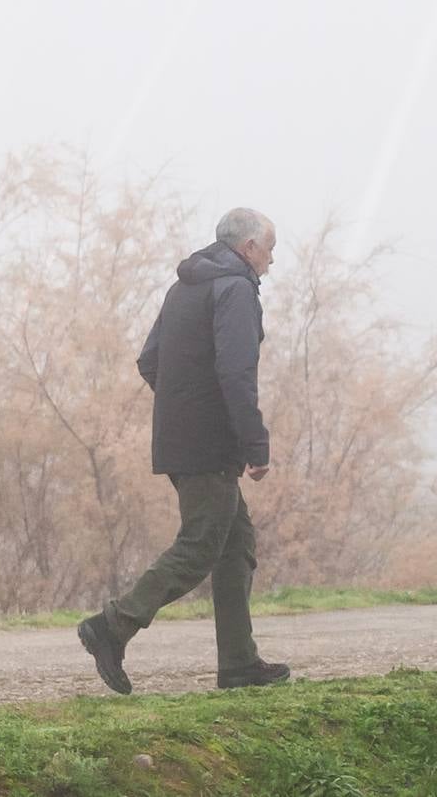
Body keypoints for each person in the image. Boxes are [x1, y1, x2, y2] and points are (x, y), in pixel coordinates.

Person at [78, 207, 291, 695]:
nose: (272, 262)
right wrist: (253, 443)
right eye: (270, 250)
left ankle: (239, 663)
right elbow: (237, 374)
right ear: (249, 248)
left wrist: (183, 410)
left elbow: (150, 361)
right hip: (209, 445)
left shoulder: (186, 287)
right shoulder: (235, 289)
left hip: (183, 438)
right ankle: (111, 626)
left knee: (234, 545)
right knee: (199, 547)